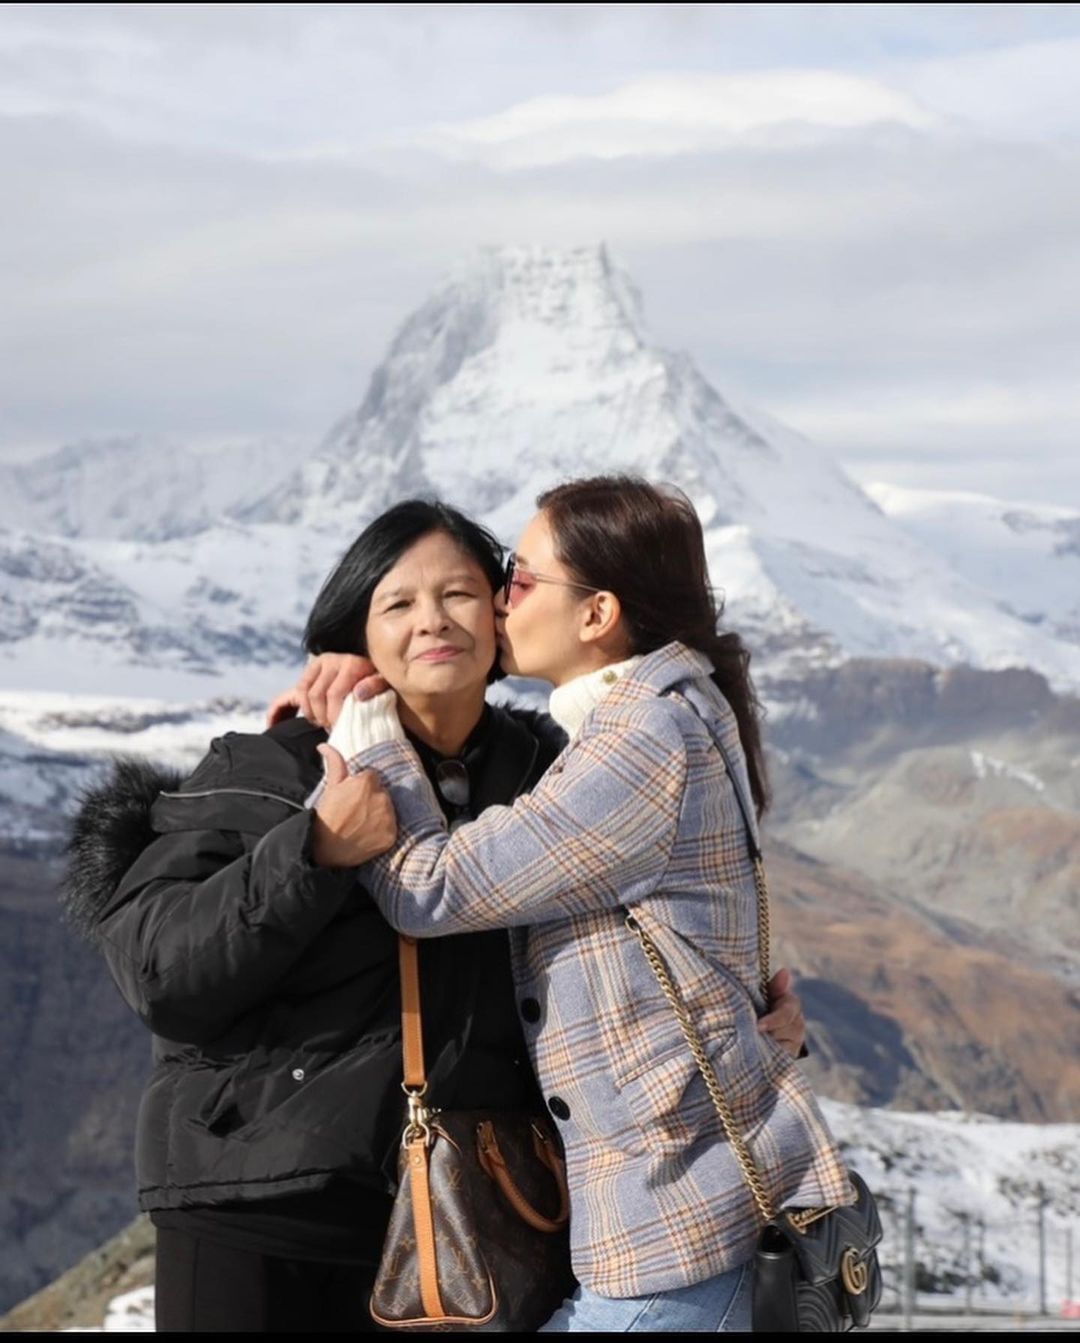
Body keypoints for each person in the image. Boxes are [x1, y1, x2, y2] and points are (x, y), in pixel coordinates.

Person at [63, 496, 806, 1332]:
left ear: (501, 616)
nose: (434, 620)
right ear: (357, 636)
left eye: (461, 593)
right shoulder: (273, 766)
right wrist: (308, 851)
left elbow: (648, 932)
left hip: (478, 1218)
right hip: (261, 1208)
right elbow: (164, 973)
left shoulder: (555, 770)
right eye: (398, 603)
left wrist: (747, 1015)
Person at [310, 475, 853, 1333]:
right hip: (682, 1205)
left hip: (678, 1222)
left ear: (597, 614)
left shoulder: (646, 739)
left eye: (519, 582)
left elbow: (430, 885)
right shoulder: (662, 712)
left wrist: (373, 745)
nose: (495, 601)